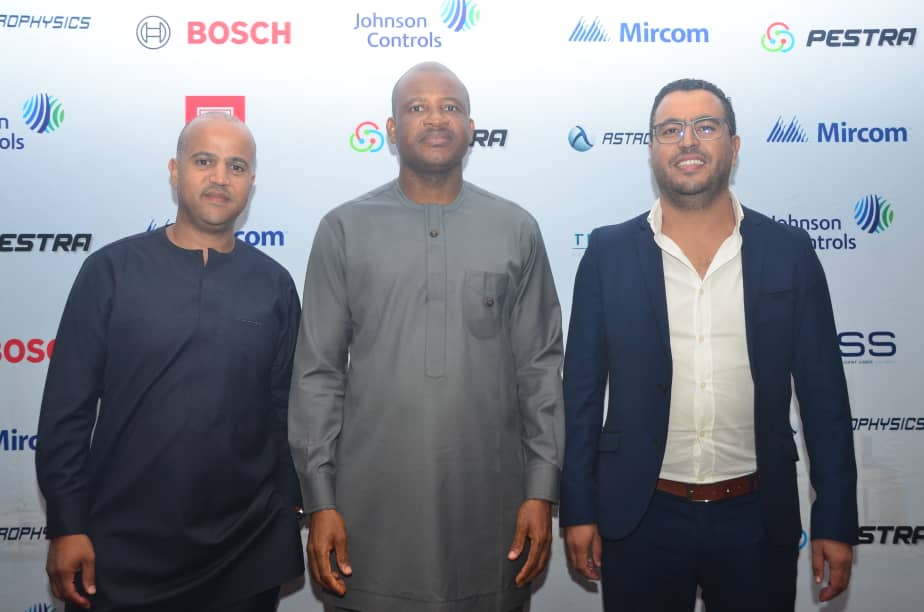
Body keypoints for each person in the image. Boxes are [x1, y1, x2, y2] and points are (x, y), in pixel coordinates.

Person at [559, 78, 858, 611]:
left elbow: (824, 397)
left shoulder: (788, 251)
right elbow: (580, 395)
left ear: (734, 145)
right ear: (652, 148)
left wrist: (835, 516)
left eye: (705, 127)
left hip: (756, 516)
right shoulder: (607, 254)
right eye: (670, 129)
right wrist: (579, 509)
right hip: (640, 516)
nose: (687, 141)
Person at [288, 62, 564, 612]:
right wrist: (319, 499)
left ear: (471, 128)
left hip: (491, 514)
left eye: (450, 107)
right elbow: (318, 373)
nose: (436, 118)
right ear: (391, 130)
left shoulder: (516, 228)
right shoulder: (343, 228)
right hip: (367, 515)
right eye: (417, 107)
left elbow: (539, 369)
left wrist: (541, 490)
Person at [36, 113, 304, 612]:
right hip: (120, 548)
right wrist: (68, 524)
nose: (220, 177)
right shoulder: (110, 271)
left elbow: (286, 409)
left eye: (236, 166)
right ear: (175, 171)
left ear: (251, 182)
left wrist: (289, 508)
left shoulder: (274, 284)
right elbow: (67, 410)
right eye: (204, 161)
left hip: (246, 550)